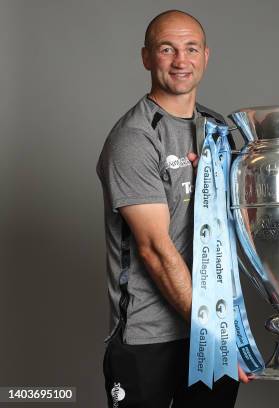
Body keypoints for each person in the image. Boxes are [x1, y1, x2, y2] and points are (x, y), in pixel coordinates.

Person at [97, 10, 247, 408]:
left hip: (214, 327)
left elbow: (246, 226)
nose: (181, 61)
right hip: (150, 337)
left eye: (191, 49)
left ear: (206, 56)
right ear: (147, 57)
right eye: (167, 49)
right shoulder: (135, 137)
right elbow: (155, 250)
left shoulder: (219, 131)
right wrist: (214, 332)